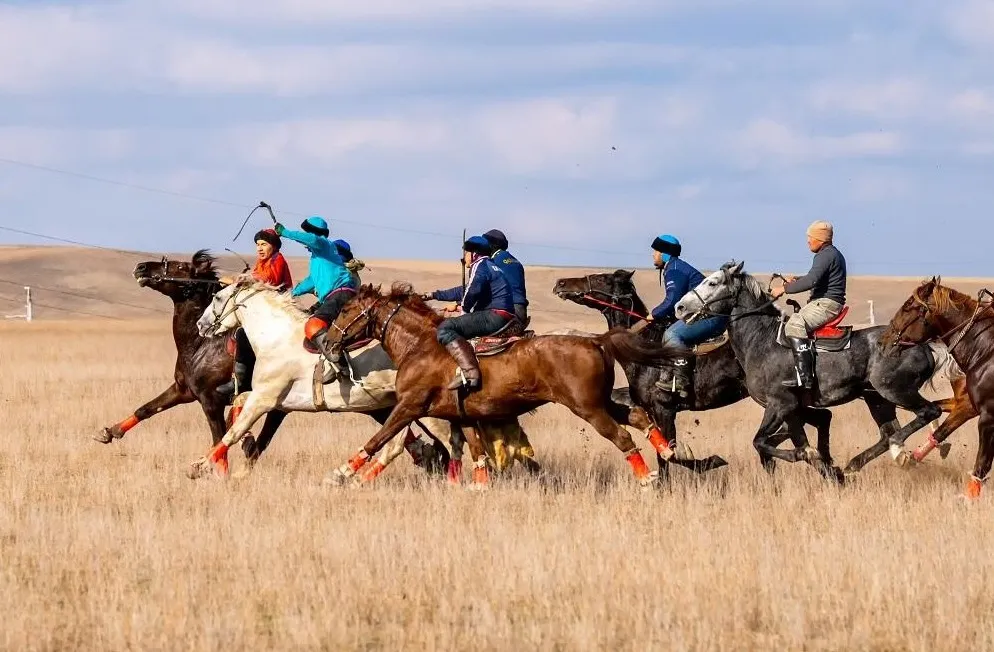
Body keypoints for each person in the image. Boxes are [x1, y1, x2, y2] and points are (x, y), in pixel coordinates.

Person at [424, 235, 515, 391]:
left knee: (445, 328)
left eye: (465, 253)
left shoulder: (480, 266)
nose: (463, 257)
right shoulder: (490, 265)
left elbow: (471, 292)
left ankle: (470, 372)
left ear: (474, 253)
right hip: (502, 314)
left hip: (495, 316)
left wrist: (464, 311)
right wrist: (434, 295)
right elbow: (464, 290)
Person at [274, 216, 356, 379]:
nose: (306, 241)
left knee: (313, 326)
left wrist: (285, 232)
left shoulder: (324, 244)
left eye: (307, 233)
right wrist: (288, 294)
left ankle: (341, 365)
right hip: (334, 296)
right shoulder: (319, 258)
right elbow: (310, 281)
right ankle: (332, 362)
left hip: (340, 294)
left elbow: (311, 239)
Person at [216, 229, 294, 399]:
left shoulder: (278, 259)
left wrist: (238, 279)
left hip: (278, 311)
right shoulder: (262, 261)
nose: (259, 248)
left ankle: (241, 383)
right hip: (267, 309)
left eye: (264, 244)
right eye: (257, 245)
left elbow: (268, 279)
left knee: (243, 334)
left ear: (273, 246)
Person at [646, 234, 726, 399]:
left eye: (656, 251)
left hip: (710, 316)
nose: (653, 255)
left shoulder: (675, 269)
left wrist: (653, 314)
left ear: (665, 253)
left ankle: (682, 380)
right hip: (705, 313)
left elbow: (672, 300)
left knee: (672, 334)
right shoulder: (674, 267)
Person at [771, 220, 847, 389]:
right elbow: (815, 277)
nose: (808, 241)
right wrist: (797, 279)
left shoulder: (825, 255)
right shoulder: (830, 254)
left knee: (794, 325)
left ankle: (805, 378)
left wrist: (783, 289)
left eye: (810, 237)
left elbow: (812, 281)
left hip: (826, 304)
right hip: (826, 302)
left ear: (820, 239)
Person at [482, 229, 528, 325]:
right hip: (521, 313)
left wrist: (458, 303)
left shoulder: (492, 262)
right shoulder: (517, 262)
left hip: (504, 312)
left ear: (491, 245)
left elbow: (479, 288)